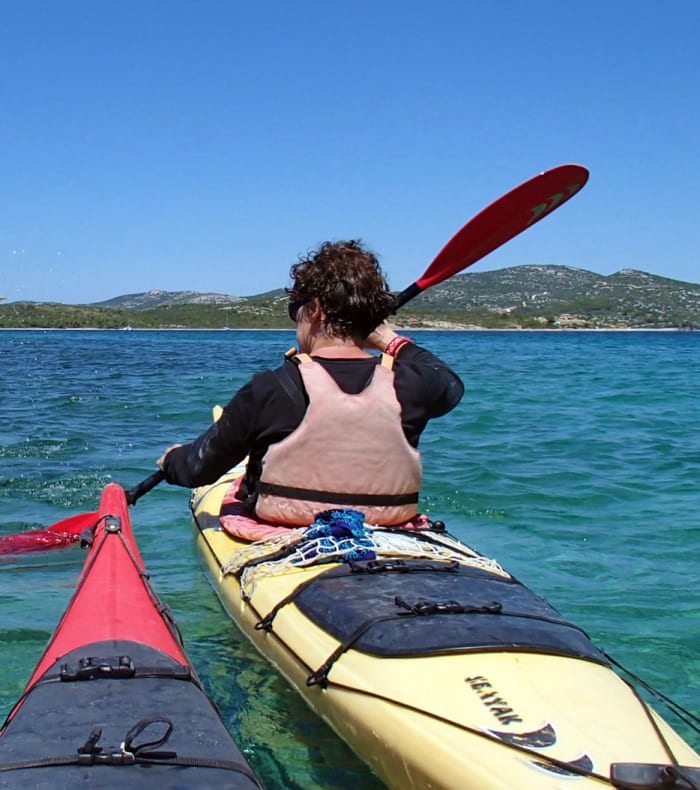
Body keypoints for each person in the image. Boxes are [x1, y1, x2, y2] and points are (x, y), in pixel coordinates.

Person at [158, 240, 464, 527]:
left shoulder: (272, 388)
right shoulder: (408, 383)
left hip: (287, 524)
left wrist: (172, 459)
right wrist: (389, 339)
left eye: (295, 311)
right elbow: (450, 385)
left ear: (315, 310)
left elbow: (198, 469)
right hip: (388, 523)